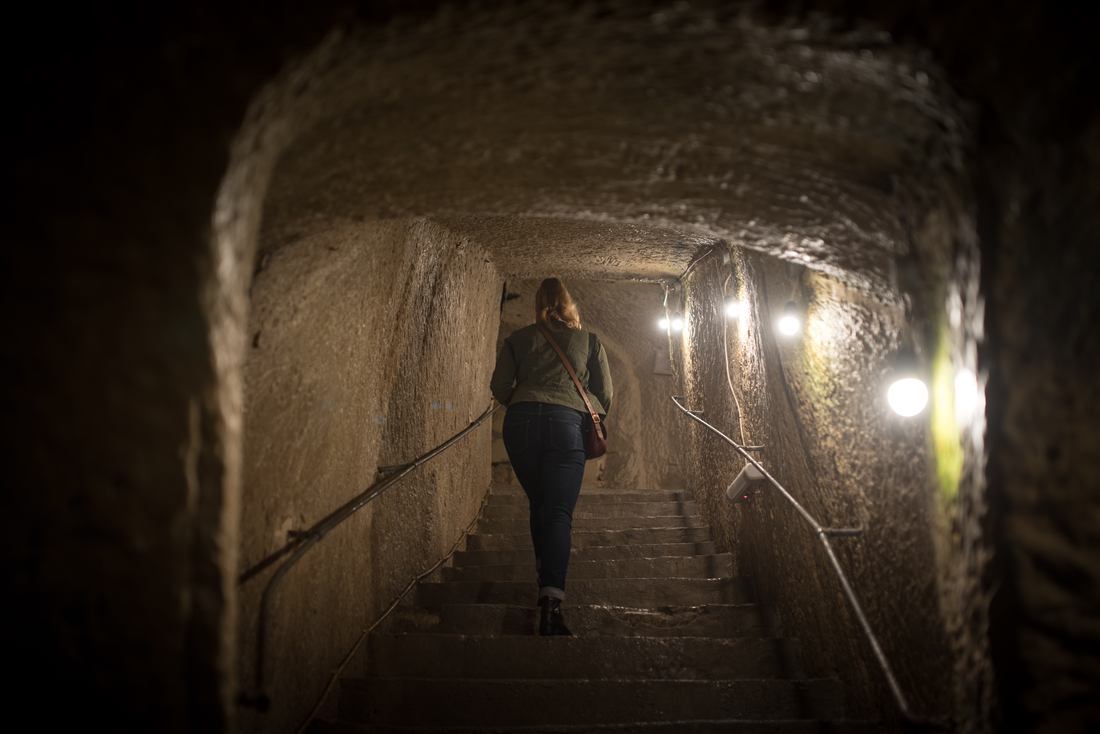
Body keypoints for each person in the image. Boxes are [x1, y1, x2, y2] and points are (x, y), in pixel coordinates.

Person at [489, 278, 613, 636]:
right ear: (569, 304)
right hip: (565, 424)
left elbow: (499, 387)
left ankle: (544, 584)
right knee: (557, 511)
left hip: (521, 422)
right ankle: (551, 605)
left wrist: (527, 399)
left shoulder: (519, 340)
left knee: (540, 504)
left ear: (538, 305)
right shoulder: (589, 341)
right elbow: (604, 395)